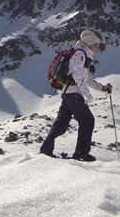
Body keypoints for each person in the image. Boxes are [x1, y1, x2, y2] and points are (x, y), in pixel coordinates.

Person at [40, 30, 112, 161]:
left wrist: (103, 88)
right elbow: (77, 76)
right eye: (97, 45)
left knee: (61, 124)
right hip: (73, 93)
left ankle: (46, 149)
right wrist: (87, 95)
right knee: (87, 120)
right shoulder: (80, 54)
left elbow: (87, 79)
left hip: (69, 93)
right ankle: (81, 153)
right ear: (90, 43)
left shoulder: (84, 54)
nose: (98, 48)